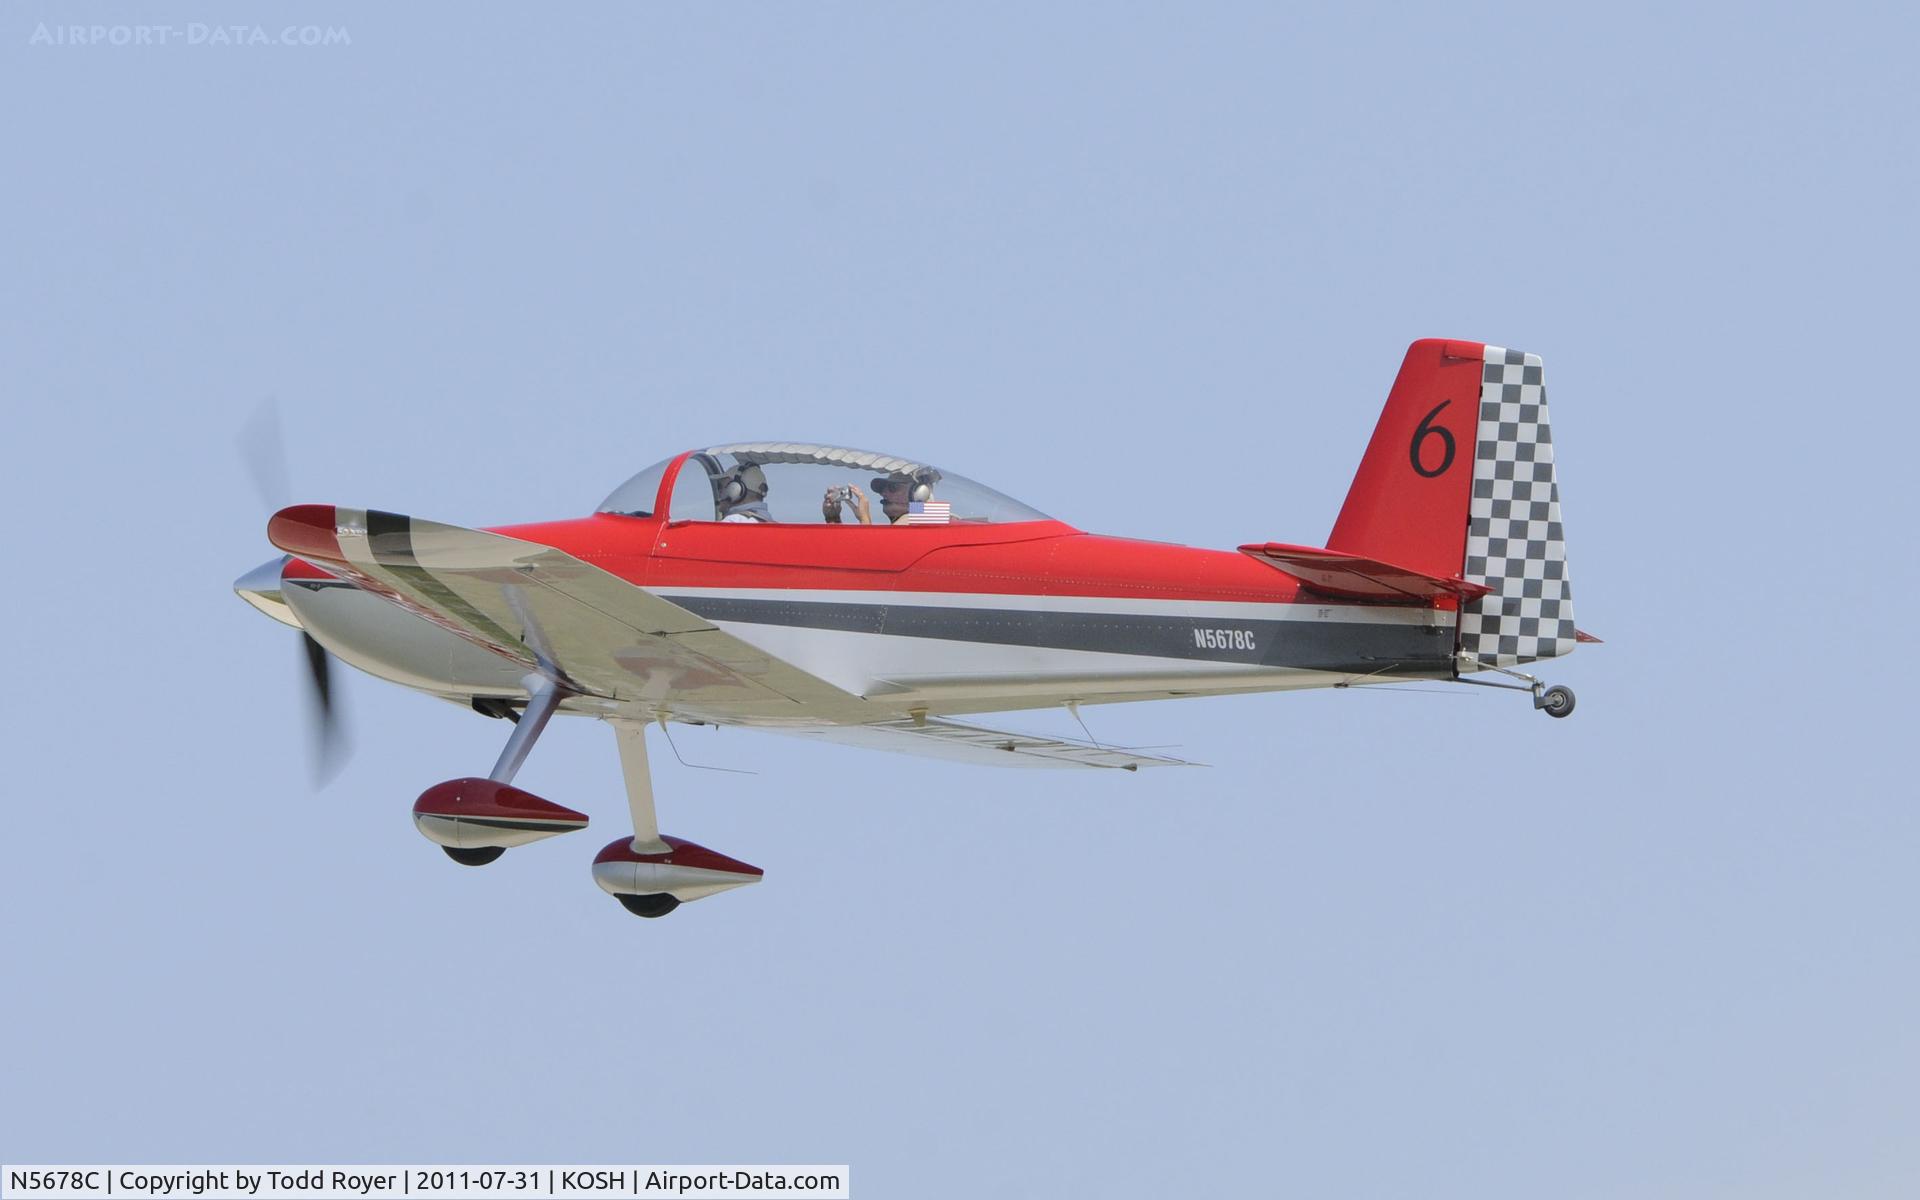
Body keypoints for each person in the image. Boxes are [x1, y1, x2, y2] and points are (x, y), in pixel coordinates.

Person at [823, 474, 923, 525]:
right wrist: (833, 519)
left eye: (894, 487)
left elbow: (871, 555)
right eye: (882, 489)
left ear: (918, 493)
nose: (883, 493)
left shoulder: (915, 520)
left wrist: (864, 518)